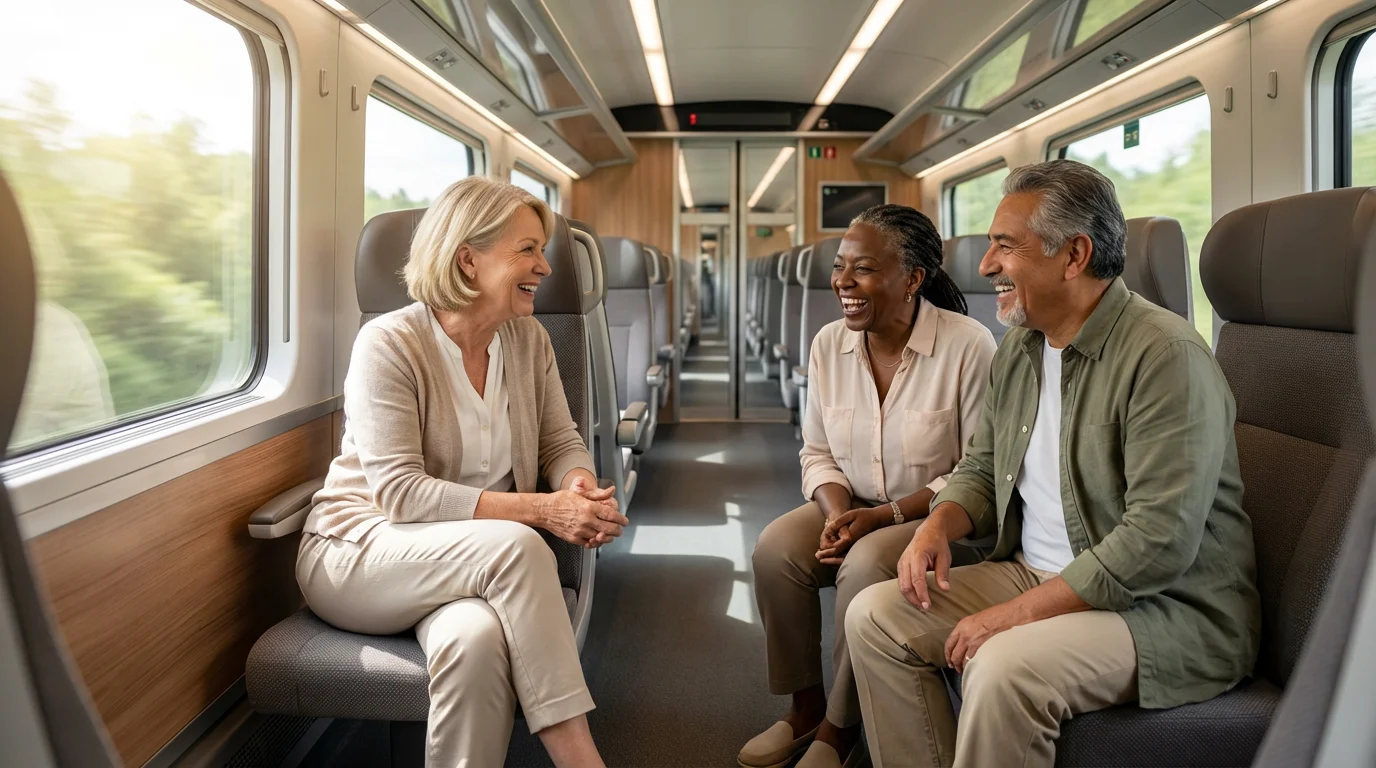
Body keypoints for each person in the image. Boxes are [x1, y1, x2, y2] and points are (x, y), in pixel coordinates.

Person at [844, 160, 1260, 768]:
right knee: (875, 617)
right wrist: (937, 527)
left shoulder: (1165, 356)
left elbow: (1158, 541)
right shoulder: (1022, 345)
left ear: (1074, 255)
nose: (986, 267)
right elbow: (984, 466)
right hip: (1035, 572)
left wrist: (1012, 618)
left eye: (1005, 248)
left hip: (1164, 609)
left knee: (1004, 668)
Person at [296, 177, 625, 768]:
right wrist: (546, 511)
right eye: (527, 250)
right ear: (468, 260)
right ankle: (580, 758)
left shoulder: (530, 341)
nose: (544, 268)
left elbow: (561, 441)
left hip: (467, 566)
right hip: (362, 553)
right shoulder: (389, 343)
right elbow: (400, 493)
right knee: (521, 547)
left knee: (473, 644)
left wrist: (575, 481)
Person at [740, 205, 997, 768]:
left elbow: (979, 469)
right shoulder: (829, 344)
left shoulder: (968, 346)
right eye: (839, 268)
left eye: (864, 269)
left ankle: (841, 724)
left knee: (864, 565)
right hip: (852, 501)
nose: (843, 283)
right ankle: (804, 705)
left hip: (935, 519)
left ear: (912, 279)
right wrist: (836, 513)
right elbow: (818, 451)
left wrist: (883, 518)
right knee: (775, 552)